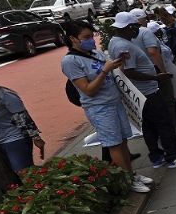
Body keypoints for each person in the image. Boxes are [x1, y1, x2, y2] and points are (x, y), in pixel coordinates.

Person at [60, 21, 150, 193]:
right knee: (114, 144)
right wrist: (105, 71)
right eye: (85, 37)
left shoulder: (95, 52)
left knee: (123, 140)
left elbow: (111, 71)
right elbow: (88, 90)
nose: (91, 40)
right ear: (72, 38)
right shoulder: (70, 61)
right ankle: (127, 181)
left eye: (91, 36)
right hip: (99, 108)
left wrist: (119, 61)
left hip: (115, 102)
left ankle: (131, 174)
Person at [106, 12, 176, 169]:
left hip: (141, 93)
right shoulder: (123, 45)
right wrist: (157, 77)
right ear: (128, 28)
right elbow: (129, 71)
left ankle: (156, 156)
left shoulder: (115, 41)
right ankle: (174, 157)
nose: (137, 30)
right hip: (148, 92)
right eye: (135, 27)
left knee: (149, 126)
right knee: (164, 123)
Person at [0, 66, 43, 171]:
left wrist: (36, 138)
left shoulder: (4, 94)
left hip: (14, 139)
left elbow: (22, 117)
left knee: (22, 171)